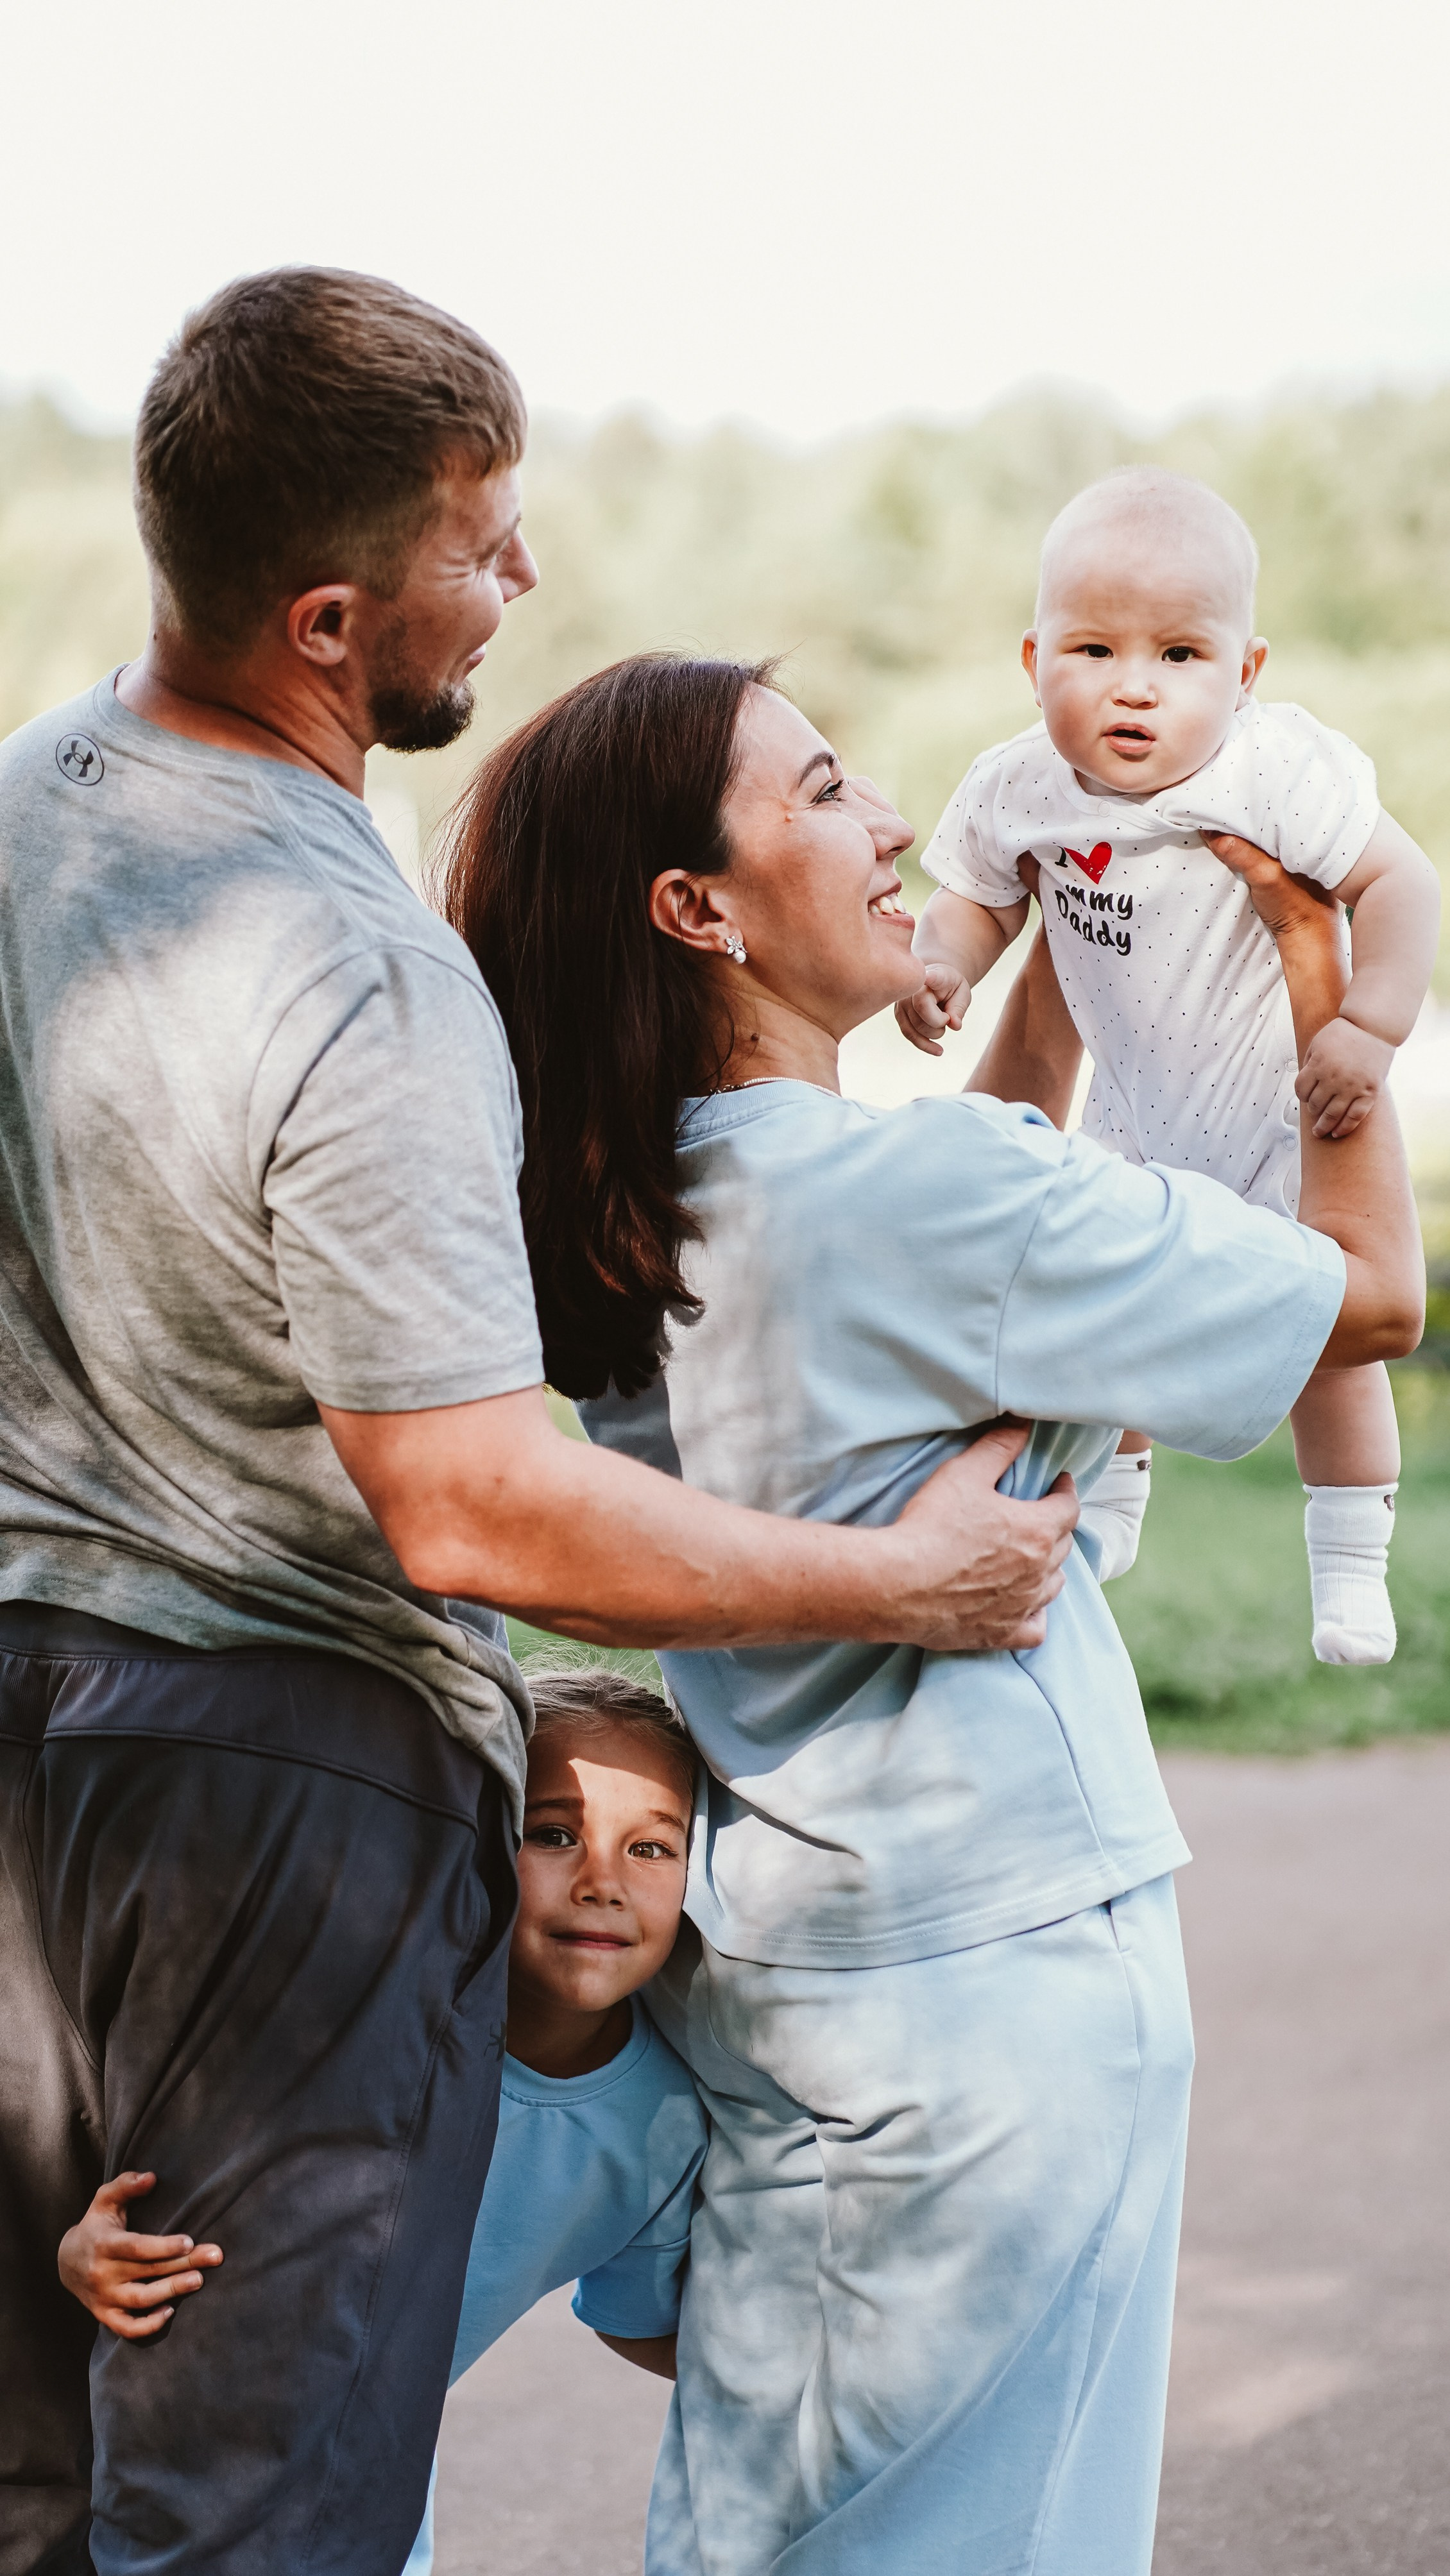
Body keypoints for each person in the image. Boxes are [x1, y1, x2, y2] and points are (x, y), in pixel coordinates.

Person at [0, 271, 1077, 2576]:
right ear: (324, 616)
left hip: (30, 1745)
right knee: (251, 2504)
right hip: (271, 1778)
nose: (525, 582)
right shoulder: (352, 962)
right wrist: (912, 1575)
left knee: (41, 2476)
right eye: (483, 550)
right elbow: (474, 1501)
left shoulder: (23, 818)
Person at [439, 650, 1424, 2576]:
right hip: (985, 2020)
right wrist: (1317, 972)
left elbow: (962, 1204)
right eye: (821, 791)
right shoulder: (930, 1202)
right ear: (695, 909)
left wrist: (1062, 962)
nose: (893, 818)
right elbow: (1367, 1293)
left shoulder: (651, 1212)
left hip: (843, 1992)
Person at [900, 466, 1441, 1663]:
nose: (1133, 687)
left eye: (1181, 656)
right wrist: (942, 969)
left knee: (1327, 1342)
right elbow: (978, 907)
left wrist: (1372, 1026)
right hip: (1134, 1106)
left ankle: (1350, 1557)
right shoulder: (1019, 789)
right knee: (1111, 1304)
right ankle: (1120, 1492)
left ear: (1245, 675)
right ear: (1033, 660)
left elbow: (1403, 884)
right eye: (1092, 650)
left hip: (1281, 1104)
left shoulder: (1275, 772)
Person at [55, 1668, 704, 2576]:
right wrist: (80, 2248)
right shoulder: (370, 2022)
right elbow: (120, 2176)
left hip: (361, 2485)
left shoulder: (667, 2118)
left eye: (651, 1849)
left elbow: (640, 2317)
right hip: (150, 2448)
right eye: (553, 1834)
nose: (601, 1882)